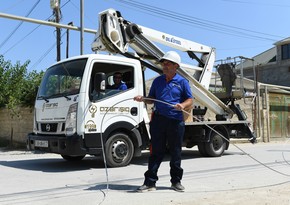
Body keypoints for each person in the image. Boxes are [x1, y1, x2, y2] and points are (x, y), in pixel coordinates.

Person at [134, 51, 193, 192]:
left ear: (176, 66)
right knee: (156, 152)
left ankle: (176, 182)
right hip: (159, 120)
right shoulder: (157, 81)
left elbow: (190, 100)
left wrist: (182, 105)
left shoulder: (182, 82)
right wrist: (143, 98)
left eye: (168, 63)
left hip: (175, 121)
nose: (164, 66)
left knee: (175, 152)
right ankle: (150, 182)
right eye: (163, 63)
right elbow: (151, 99)